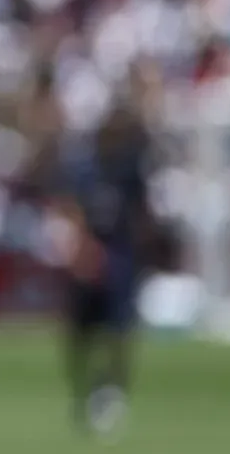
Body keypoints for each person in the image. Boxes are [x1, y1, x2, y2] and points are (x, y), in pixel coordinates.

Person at [52, 98, 156, 439]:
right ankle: (84, 391)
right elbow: (71, 206)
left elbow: (141, 216)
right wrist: (82, 249)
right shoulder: (85, 167)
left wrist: (137, 257)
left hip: (121, 258)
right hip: (89, 254)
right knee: (79, 333)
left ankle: (113, 391)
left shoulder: (130, 169)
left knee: (121, 330)